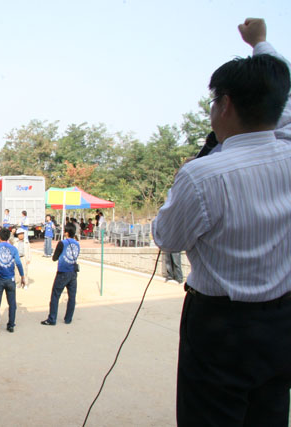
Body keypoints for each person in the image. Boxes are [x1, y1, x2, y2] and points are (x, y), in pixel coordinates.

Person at [152, 19, 291, 426]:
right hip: (282, 321)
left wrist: (181, 182)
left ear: (225, 104)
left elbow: (167, 237)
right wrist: (261, 44)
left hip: (220, 327)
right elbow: (282, 93)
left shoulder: (203, 175)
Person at [0, 227, 24, 334]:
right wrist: (22, 276)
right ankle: (11, 325)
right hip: (10, 278)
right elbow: (18, 263)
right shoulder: (13, 248)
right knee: (12, 303)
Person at [41, 223, 80, 325]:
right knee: (72, 297)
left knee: (55, 295)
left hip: (63, 272)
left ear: (66, 232)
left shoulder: (62, 243)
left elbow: (54, 258)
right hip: (73, 272)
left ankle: (52, 318)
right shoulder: (77, 244)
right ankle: (68, 318)